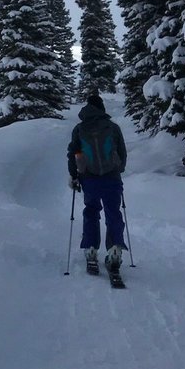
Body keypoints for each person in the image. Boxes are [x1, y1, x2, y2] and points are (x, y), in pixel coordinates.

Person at [67, 92, 127, 273]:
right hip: (112, 178)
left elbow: (72, 154)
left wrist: (74, 175)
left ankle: (91, 249)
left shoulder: (79, 129)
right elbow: (122, 152)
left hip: (89, 178)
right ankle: (115, 249)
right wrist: (119, 169)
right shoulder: (112, 127)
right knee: (113, 213)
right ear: (102, 108)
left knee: (91, 212)